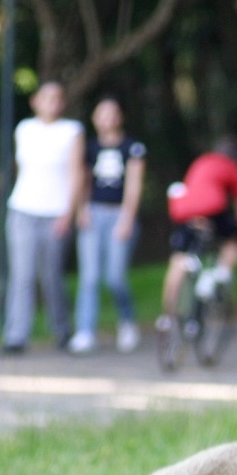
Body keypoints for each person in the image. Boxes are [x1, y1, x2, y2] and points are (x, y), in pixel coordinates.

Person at [158, 134, 237, 335]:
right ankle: (218, 276)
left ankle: (168, 317)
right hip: (211, 211)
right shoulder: (234, 169)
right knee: (233, 241)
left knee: (178, 260)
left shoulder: (201, 161)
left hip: (183, 213)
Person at [2, 79, 86, 354]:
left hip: (56, 212)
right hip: (23, 209)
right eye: (46, 97)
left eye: (57, 97)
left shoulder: (72, 131)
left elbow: (76, 173)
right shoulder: (24, 129)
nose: (52, 103)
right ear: (35, 101)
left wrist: (68, 212)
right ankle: (15, 336)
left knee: (52, 276)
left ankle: (62, 330)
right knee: (22, 275)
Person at [71, 95, 147, 354]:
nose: (108, 119)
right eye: (102, 114)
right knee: (89, 276)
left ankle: (127, 322)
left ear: (120, 117)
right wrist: (81, 210)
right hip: (94, 212)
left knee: (115, 277)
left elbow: (134, 184)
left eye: (112, 113)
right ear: (94, 119)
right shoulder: (90, 149)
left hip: (119, 214)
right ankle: (85, 330)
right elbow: (83, 181)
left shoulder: (132, 147)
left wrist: (127, 218)